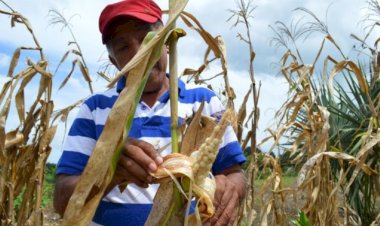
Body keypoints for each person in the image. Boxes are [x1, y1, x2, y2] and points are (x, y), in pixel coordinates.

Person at [54, 0, 247, 225]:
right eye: (123, 47)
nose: (140, 52)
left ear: (167, 42)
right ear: (114, 61)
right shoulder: (95, 109)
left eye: (148, 39)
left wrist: (232, 187)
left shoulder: (204, 102)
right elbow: (61, 200)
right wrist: (109, 170)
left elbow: (235, 174)